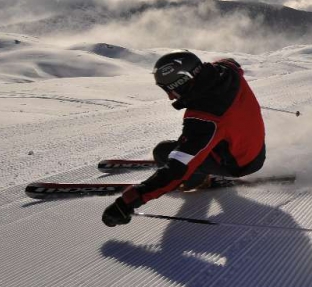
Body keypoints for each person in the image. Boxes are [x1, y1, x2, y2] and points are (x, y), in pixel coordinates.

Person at [102, 51, 266, 227]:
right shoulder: (226, 71)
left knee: (163, 152)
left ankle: (199, 180)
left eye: (169, 89)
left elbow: (178, 168)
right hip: (254, 150)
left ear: (183, 82)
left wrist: (128, 202)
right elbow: (232, 62)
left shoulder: (205, 118)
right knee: (186, 147)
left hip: (237, 164)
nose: (170, 96)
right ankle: (202, 163)